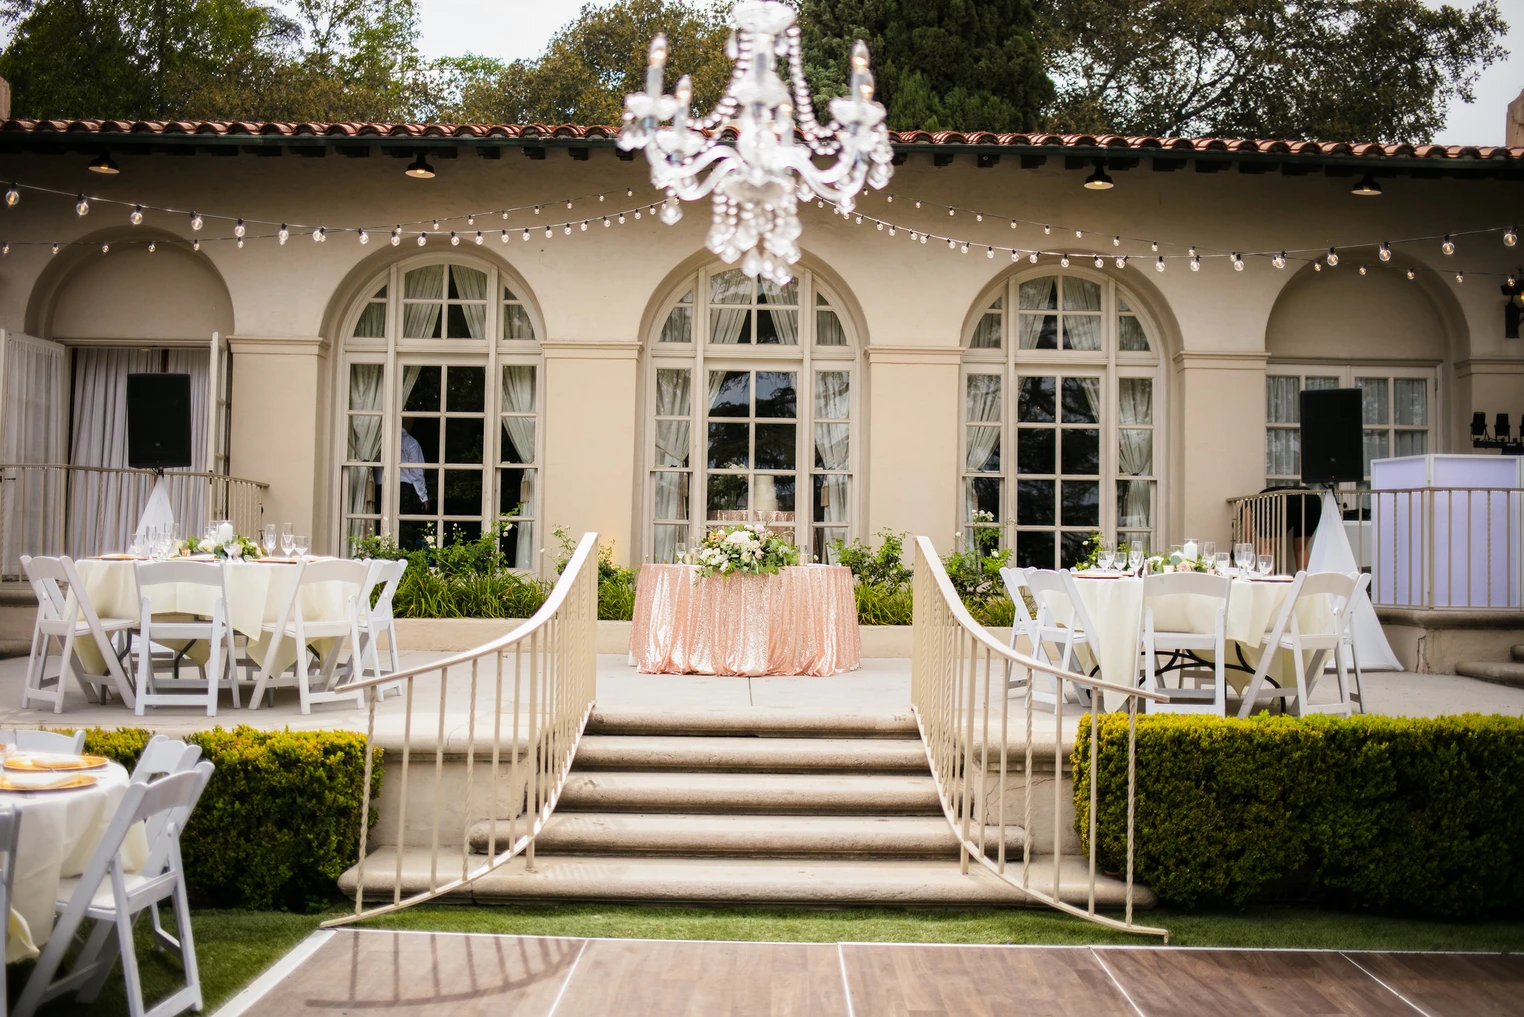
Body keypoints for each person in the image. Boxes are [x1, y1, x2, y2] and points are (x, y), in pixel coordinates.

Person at [400, 428, 429, 510]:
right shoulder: (410, 442)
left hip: (378, 486)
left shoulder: (378, 440)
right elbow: (416, 471)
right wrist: (423, 496)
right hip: (404, 488)